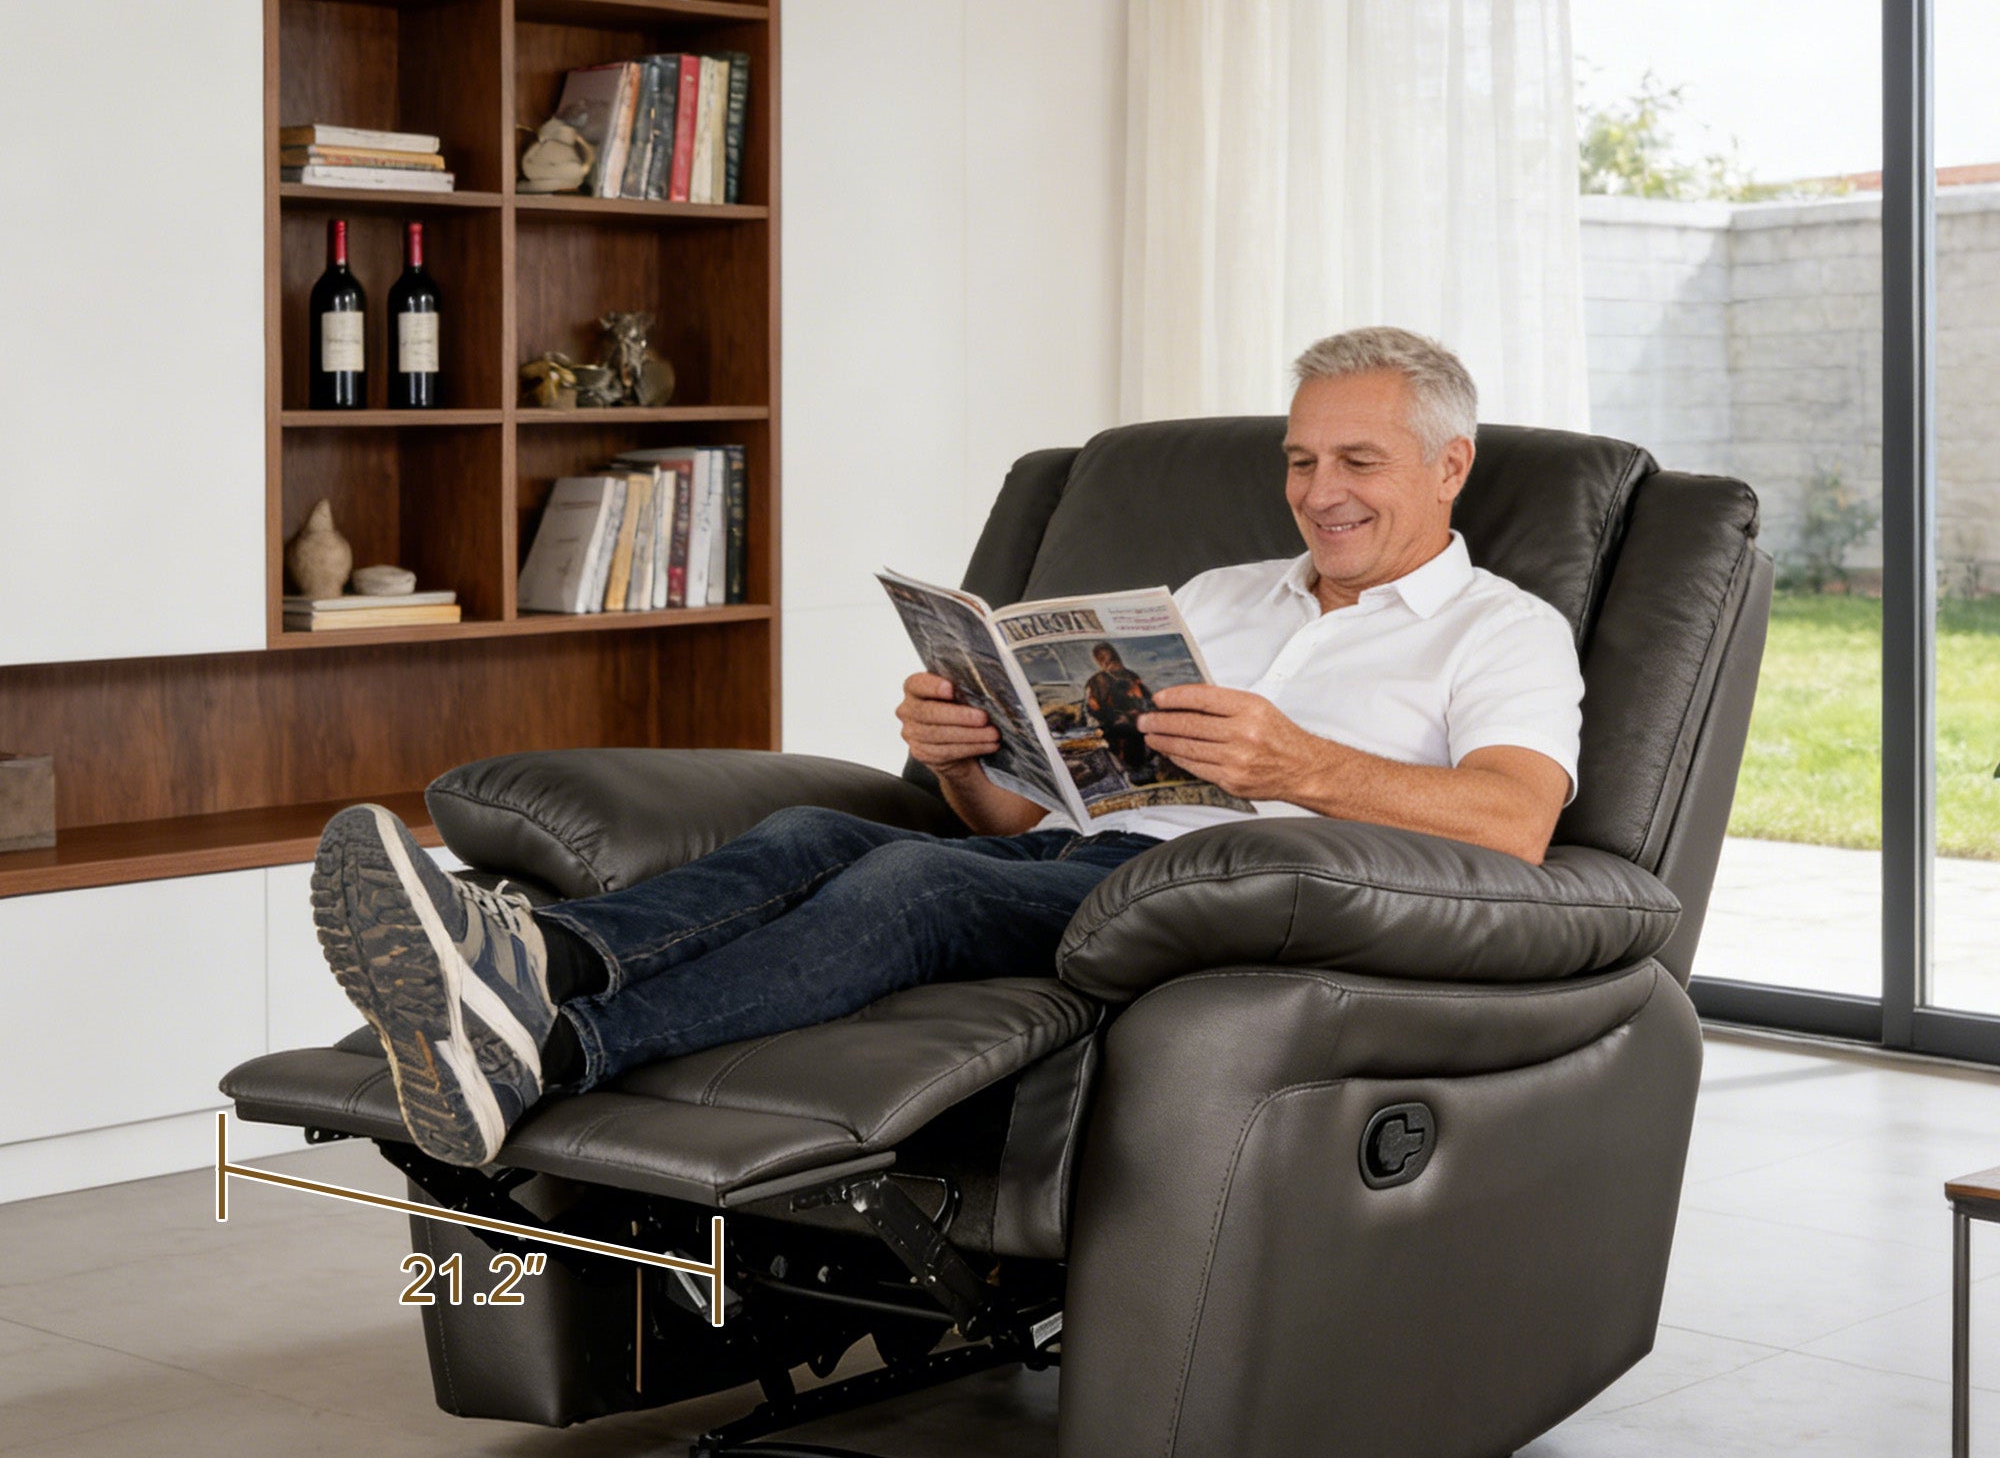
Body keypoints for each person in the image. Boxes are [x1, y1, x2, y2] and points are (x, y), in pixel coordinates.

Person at [312, 326, 1585, 1168]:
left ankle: (545, 1054)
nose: (1317, 491)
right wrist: (968, 754)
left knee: (910, 882)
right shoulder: (1223, 593)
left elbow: (1516, 822)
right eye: (1300, 460)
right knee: (814, 834)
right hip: (1073, 860)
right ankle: (532, 954)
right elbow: (1017, 827)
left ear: (1448, 466)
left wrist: (1300, 766)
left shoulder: (1501, 629)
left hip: (1213, 905)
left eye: (1357, 460)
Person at [1082, 643, 1158, 778]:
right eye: (1102, 657)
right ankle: (1131, 770)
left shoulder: (1132, 676)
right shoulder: (1096, 681)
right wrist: (1117, 717)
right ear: (1099, 661)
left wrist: (1146, 712)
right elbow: (1092, 709)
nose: (1108, 660)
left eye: (1110, 656)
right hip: (1112, 724)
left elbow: (1147, 698)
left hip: (1140, 720)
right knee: (1126, 730)